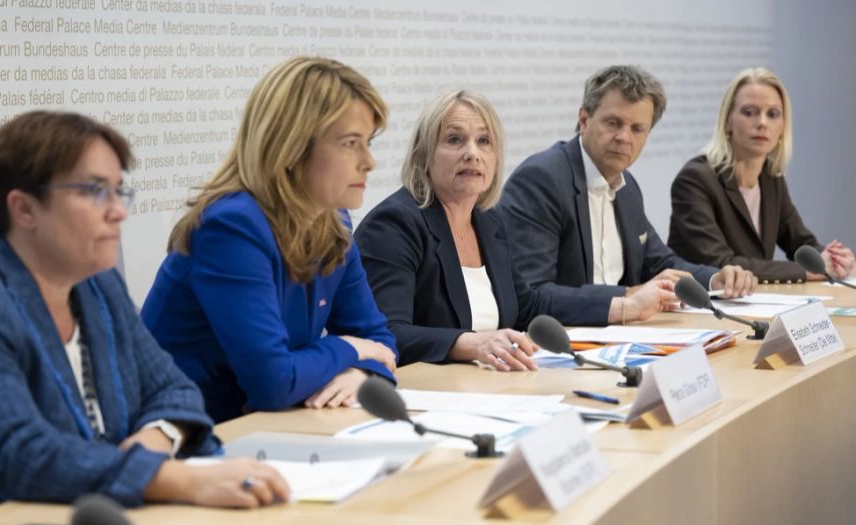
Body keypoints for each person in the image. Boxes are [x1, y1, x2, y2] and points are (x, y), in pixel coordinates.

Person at [0, 111, 288, 521]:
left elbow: (175, 390)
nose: (118, 212)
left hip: (104, 522)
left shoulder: (97, 286)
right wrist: (177, 480)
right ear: (24, 209)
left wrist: (156, 436)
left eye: (118, 191)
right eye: (95, 191)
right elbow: (20, 454)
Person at [142, 57, 397, 423]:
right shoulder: (231, 228)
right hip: (189, 437)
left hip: (266, 429)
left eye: (368, 142)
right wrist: (347, 348)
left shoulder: (333, 222)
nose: (369, 161)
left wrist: (362, 373)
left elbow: (380, 339)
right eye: (350, 143)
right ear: (291, 147)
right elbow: (273, 383)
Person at [355, 91, 669, 369]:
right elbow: (387, 332)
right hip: (427, 394)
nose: (472, 153)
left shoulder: (488, 223)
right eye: (454, 139)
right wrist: (470, 343)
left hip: (492, 388)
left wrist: (626, 307)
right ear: (424, 154)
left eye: (484, 141)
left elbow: (530, 306)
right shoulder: (395, 226)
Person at [496, 65, 757, 318]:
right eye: (613, 123)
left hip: (620, 334)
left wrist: (715, 279)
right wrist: (629, 295)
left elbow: (659, 263)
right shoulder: (542, 180)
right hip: (559, 340)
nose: (624, 137)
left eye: (637, 129)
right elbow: (532, 292)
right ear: (584, 120)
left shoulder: (627, 187)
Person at [668, 67, 855, 282]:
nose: (762, 123)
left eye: (773, 114)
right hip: (699, 305)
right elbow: (721, 263)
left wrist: (833, 259)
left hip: (751, 300)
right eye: (749, 112)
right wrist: (809, 271)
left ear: (783, 126)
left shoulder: (770, 178)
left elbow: (800, 242)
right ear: (728, 121)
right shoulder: (695, 179)